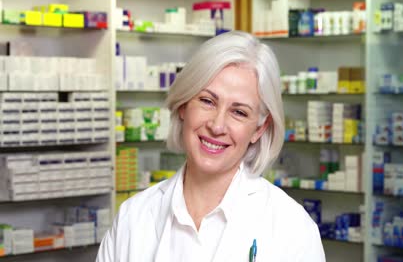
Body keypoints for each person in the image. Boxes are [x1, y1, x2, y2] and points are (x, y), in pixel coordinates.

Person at [96, 31, 325, 262]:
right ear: (184, 105)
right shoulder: (132, 219)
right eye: (207, 101)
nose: (217, 126)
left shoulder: (292, 229)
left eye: (239, 112)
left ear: (258, 129)